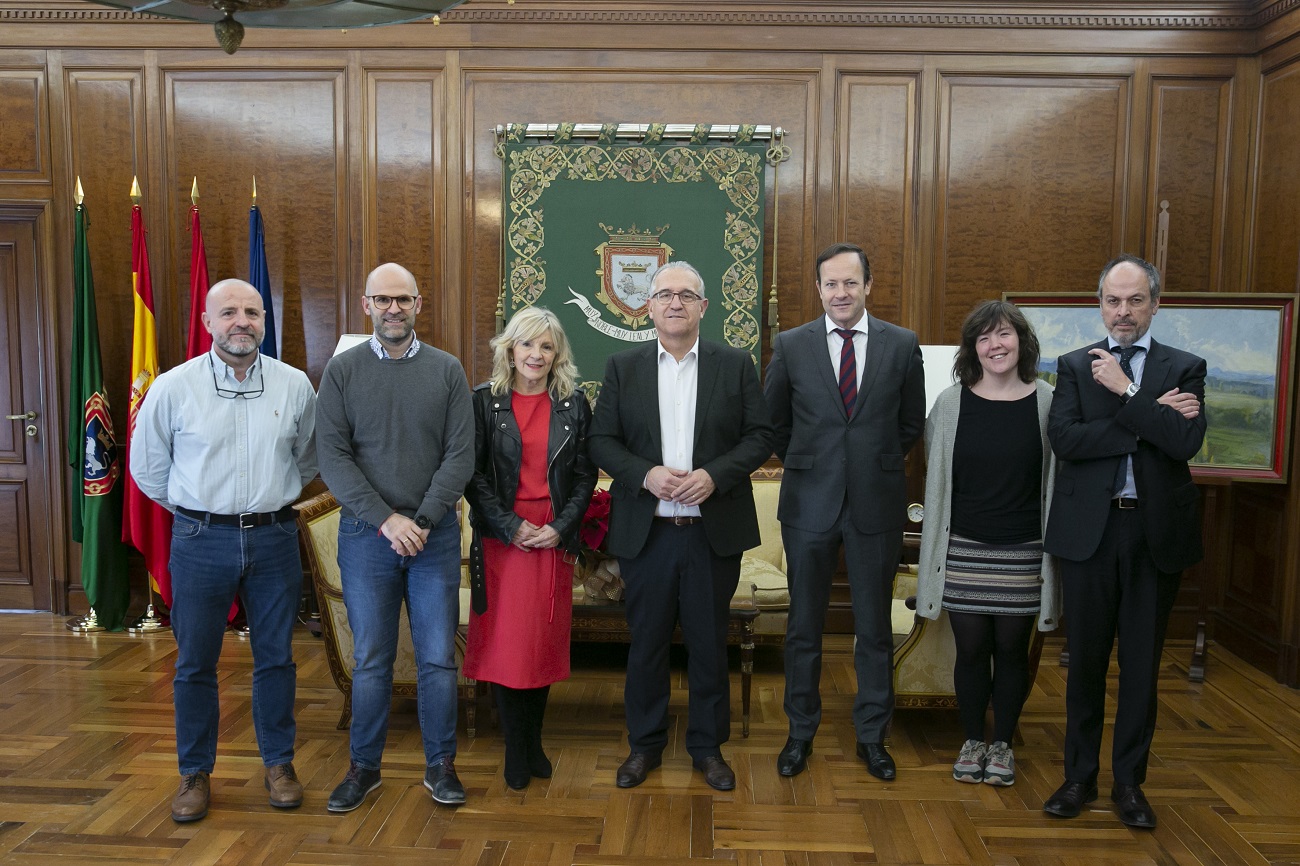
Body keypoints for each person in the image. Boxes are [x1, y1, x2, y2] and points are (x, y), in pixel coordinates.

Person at [130, 279, 317, 823]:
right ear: (207, 322)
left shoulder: (295, 385)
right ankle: (194, 773)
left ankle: (279, 764)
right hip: (198, 540)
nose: (243, 321)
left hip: (274, 537)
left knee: (277, 658)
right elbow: (148, 468)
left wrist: (262, 502)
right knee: (194, 664)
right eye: (229, 312)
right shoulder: (173, 387)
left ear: (265, 321)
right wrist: (199, 511)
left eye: (253, 312)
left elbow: (307, 460)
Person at [588, 261, 773, 791]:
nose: (675, 303)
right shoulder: (623, 366)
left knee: (709, 645)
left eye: (686, 295)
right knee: (645, 643)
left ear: (703, 307)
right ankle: (643, 747)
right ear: (648, 305)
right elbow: (602, 442)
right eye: (665, 294)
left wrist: (714, 476)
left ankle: (707, 749)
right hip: (647, 534)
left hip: (712, 533)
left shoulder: (734, 365)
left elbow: (760, 436)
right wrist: (644, 474)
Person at [1042, 254, 1206, 829]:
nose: (1123, 312)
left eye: (1135, 300)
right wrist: (1147, 417)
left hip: (1154, 536)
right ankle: (1078, 778)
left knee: (1141, 666)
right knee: (1085, 663)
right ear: (1101, 304)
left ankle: (1130, 785)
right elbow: (1066, 440)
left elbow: (1184, 444)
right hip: (1090, 534)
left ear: (1155, 304)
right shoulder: (1071, 365)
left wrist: (1126, 390)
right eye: (1113, 300)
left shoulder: (1186, 366)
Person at [315, 262, 475, 812]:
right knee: (373, 660)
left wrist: (423, 519)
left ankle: (440, 766)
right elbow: (332, 457)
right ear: (366, 306)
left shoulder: (448, 370)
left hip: (433, 538)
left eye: (402, 299)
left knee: (436, 658)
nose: (392, 309)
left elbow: (460, 455)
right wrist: (387, 520)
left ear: (418, 304)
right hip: (367, 536)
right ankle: (364, 768)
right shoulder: (342, 372)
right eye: (382, 300)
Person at [764, 242, 925, 781]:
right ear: (818, 289)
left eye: (850, 283)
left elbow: (909, 424)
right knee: (803, 626)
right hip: (809, 502)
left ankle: (873, 737)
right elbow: (775, 423)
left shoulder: (902, 346)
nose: (841, 292)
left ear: (868, 285)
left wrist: (867, 463)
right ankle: (799, 733)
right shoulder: (791, 344)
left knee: (875, 627)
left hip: (876, 505)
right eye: (831, 284)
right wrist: (811, 463)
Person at [916, 300, 1060, 787]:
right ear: (972, 347)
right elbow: (937, 480)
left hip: (1024, 551)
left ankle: (1004, 744)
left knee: (1012, 650)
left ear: (1022, 341)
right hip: (963, 550)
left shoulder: (1047, 401)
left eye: (1003, 335)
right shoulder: (950, 403)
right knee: (972, 650)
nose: (994, 345)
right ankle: (973, 738)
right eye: (983, 337)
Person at [463, 306, 597, 790]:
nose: (535, 354)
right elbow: (472, 477)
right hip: (505, 540)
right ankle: (515, 752)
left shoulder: (573, 404)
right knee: (507, 648)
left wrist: (560, 526)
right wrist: (509, 525)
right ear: (510, 349)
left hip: (551, 540)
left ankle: (533, 743)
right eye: (527, 344)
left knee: (540, 645)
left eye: (545, 346)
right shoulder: (485, 402)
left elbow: (584, 476)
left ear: (556, 352)